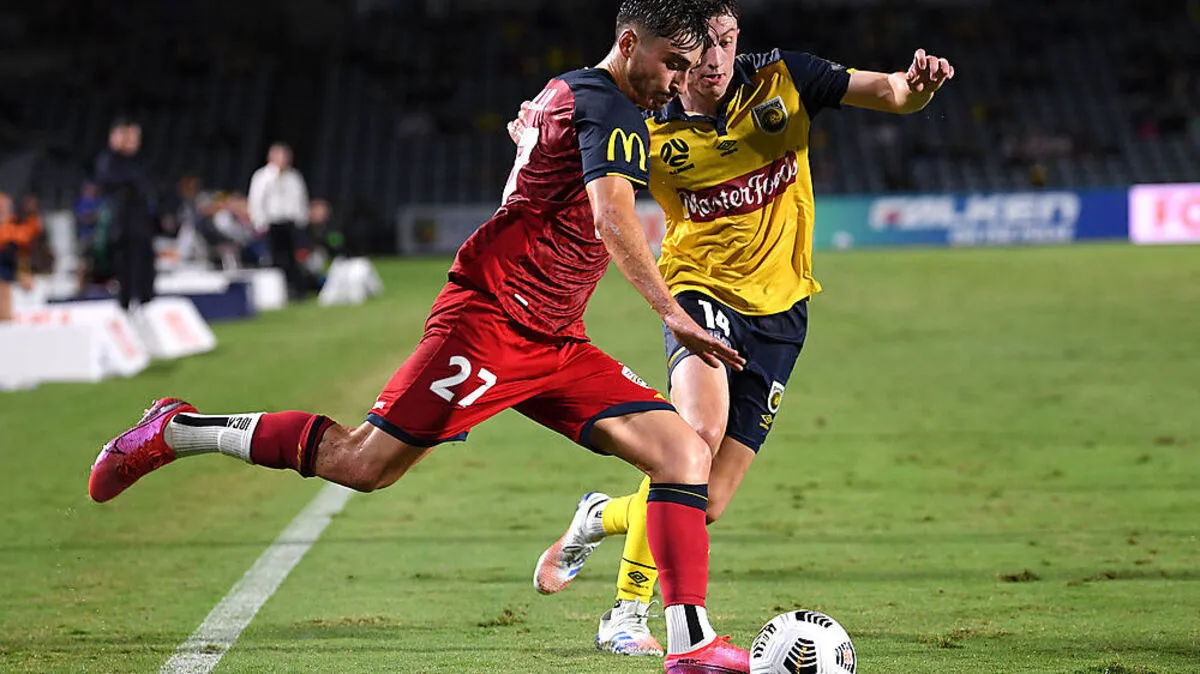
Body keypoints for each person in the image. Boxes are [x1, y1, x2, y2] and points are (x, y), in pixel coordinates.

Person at [89, 2, 752, 671]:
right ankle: (176, 431)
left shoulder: (573, 92)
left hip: (555, 338)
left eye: (688, 69)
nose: (678, 81)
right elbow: (613, 218)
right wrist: (674, 315)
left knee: (682, 456)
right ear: (630, 43)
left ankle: (690, 644)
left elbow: (542, 159)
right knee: (361, 464)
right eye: (672, 63)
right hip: (490, 322)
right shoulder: (605, 107)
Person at [522, 0, 957, 657]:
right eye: (704, 48)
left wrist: (917, 87)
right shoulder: (644, 115)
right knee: (691, 439)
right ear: (676, 52)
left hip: (782, 312)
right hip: (698, 292)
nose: (718, 60)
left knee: (710, 499)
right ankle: (628, 614)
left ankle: (599, 515)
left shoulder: (785, 79)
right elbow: (569, 143)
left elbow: (891, 92)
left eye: (729, 41)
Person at [94, 116, 158, 311]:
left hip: (140, 221)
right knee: (127, 265)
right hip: (123, 223)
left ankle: (145, 301)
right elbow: (107, 182)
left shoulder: (138, 160)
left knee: (144, 263)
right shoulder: (110, 161)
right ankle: (127, 303)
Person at [248, 143, 309, 299]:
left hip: (290, 223)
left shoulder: (294, 177)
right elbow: (256, 201)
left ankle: (297, 290)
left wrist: (301, 221)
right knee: (274, 258)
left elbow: (300, 200)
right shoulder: (263, 177)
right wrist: (259, 222)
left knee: (293, 259)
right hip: (271, 224)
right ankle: (277, 293)